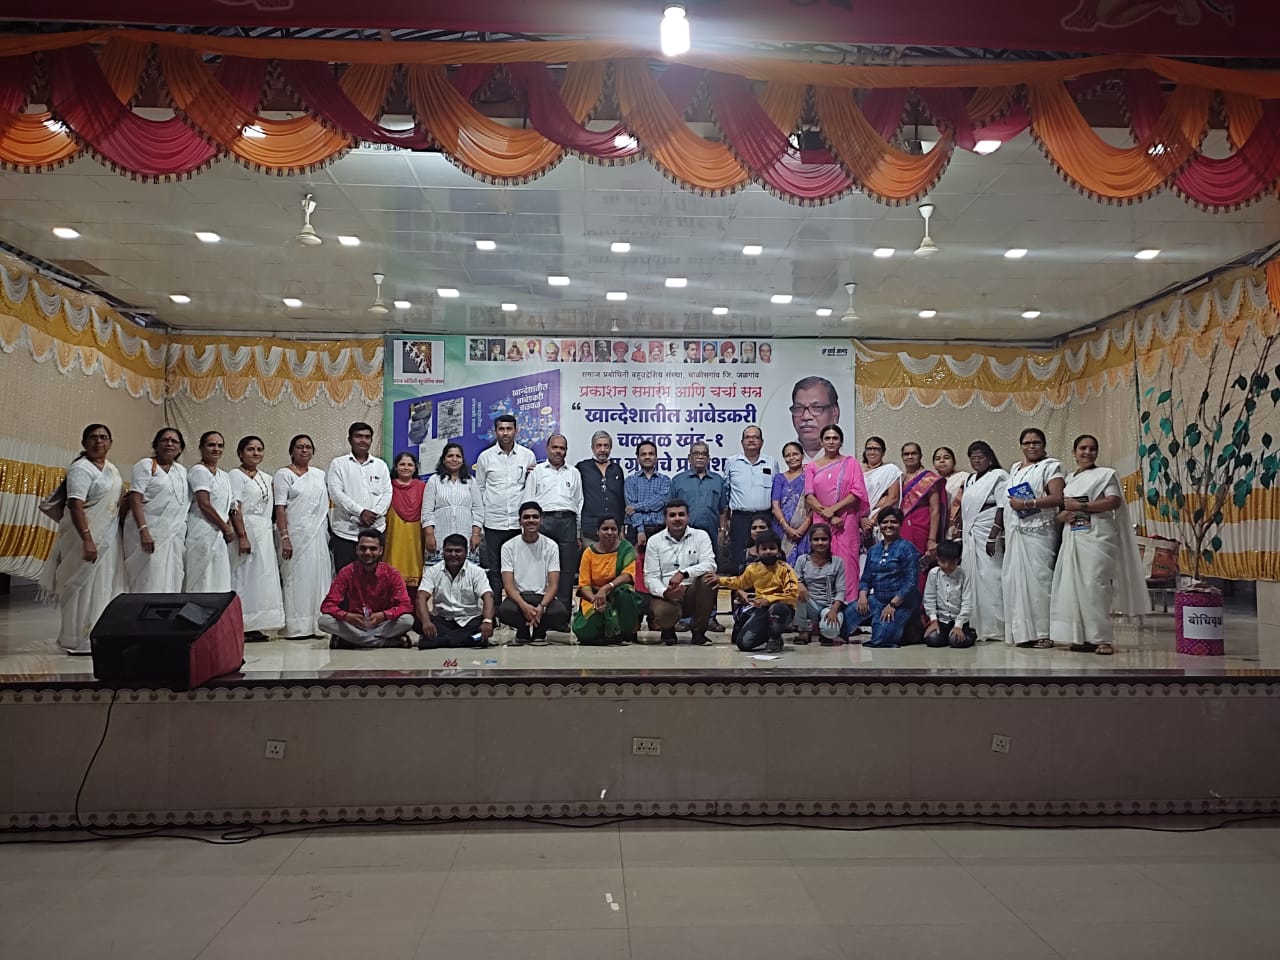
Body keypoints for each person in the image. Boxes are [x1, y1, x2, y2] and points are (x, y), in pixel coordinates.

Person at [1049, 434, 1151, 654]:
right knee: (1074, 587)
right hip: (1074, 535)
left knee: (1096, 586)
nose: (1087, 452)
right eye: (1083, 448)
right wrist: (1063, 516)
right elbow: (1063, 510)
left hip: (1098, 536)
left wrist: (1082, 507)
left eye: (1092, 448)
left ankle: (1102, 639)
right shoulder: (1070, 479)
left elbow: (1113, 501)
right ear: (1074, 452)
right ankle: (1082, 638)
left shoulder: (1105, 474)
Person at [41, 424, 124, 655]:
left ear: (110, 442)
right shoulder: (81, 468)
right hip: (83, 537)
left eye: (104, 437)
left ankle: (97, 635)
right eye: (93, 437)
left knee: (102, 585)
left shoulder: (112, 469)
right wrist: (87, 539)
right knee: (80, 585)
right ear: (84, 443)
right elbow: (75, 505)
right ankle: (76, 638)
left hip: (107, 537)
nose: (99, 441)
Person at [998, 427, 1067, 648]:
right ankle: (1022, 633)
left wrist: (1028, 503)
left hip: (1040, 533)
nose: (1031, 446)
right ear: (1021, 446)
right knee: (1015, 582)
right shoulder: (1015, 468)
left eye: (1036, 442)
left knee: (1040, 582)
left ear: (1044, 445)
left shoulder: (1051, 466)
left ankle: (1044, 633)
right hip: (1015, 532)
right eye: (1027, 443)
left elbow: (1058, 498)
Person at [274, 434, 333, 639]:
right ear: (292, 451)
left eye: (308, 447)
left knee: (318, 576)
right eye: (300, 447)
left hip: (317, 534)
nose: (304, 450)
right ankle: (296, 626)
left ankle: (318, 624)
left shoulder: (319, 475)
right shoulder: (283, 474)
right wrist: (285, 537)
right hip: (295, 534)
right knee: (296, 578)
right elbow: (280, 508)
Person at [804, 424, 868, 607]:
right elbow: (809, 496)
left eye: (835, 438)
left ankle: (849, 609)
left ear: (841, 441)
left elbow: (857, 492)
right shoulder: (811, 467)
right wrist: (828, 514)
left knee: (848, 564)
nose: (831, 441)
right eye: (827, 438)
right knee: (822, 561)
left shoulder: (851, 463)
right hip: (821, 522)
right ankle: (823, 608)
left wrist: (834, 509)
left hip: (846, 521)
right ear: (821, 442)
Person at [704, 529, 799, 653]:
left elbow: (792, 594)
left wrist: (769, 599)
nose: (768, 551)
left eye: (772, 548)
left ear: (778, 551)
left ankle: (775, 638)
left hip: (783, 609)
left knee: (777, 609)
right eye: (764, 549)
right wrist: (719, 580)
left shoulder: (786, 569)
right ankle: (769, 634)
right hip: (762, 609)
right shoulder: (753, 569)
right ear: (758, 552)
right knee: (744, 644)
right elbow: (740, 582)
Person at [475, 413, 537, 601]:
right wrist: (480, 523)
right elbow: (479, 490)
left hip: (518, 524)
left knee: (518, 568)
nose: (505, 433)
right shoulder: (485, 457)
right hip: (493, 522)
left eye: (509, 429)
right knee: (495, 569)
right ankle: (495, 609)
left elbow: (531, 489)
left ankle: (516, 608)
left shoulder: (527, 456)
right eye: (501, 429)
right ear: (495, 431)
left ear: (516, 431)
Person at [319, 528, 414, 648]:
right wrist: (348, 616)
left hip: (382, 624)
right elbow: (327, 606)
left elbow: (406, 605)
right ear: (357, 550)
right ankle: (384, 642)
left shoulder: (392, 573)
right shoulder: (347, 572)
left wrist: (383, 615)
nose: (367, 553)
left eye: (373, 549)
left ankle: (352, 641)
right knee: (324, 621)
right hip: (356, 624)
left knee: (407, 620)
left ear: (381, 551)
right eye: (363, 548)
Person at [669, 442, 729, 630]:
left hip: (710, 535)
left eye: (704, 454)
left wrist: (722, 530)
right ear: (689, 458)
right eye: (696, 453)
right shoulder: (678, 480)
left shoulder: (718, 481)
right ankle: (685, 618)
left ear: (709, 458)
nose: (700, 457)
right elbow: (670, 509)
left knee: (709, 575)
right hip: (683, 536)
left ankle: (710, 617)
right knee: (685, 573)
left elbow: (723, 509)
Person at [228, 436, 285, 638]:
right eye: (250, 449)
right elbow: (234, 507)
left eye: (259, 449)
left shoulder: (267, 478)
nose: (255, 453)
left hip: (264, 532)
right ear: (240, 453)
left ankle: (258, 625)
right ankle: (240, 624)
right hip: (245, 530)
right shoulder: (235, 475)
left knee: (262, 577)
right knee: (243, 576)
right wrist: (242, 535)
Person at [644, 499, 718, 645]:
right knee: (662, 610)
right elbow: (650, 577)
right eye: (672, 515)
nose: (677, 518)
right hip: (666, 594)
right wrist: (665, 592)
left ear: (688, 517)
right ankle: (667, 630)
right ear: (665, 518)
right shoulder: (654, 541)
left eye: (681, 514)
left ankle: (699, 633)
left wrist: (683, 573)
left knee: (708, 579)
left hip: (692, 591)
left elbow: (710, 564)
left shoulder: (701, 536)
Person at [123, 427, 188, 593]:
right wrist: (144, 531)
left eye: (174, 441)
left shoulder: (181, 471)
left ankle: (166, 610)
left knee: (172, 576)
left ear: (180, 448)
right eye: (165, 440)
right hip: (146, 531)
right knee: (148, 577)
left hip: (173, 535)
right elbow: (135, 498)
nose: (169, 444)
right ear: (156, 445)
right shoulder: (145, 465)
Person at [497, 501, 571, 643]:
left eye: (535, 517)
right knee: (504, 611)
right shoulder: (508, 546)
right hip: (519, 597)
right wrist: (524, 606)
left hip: (542, 597)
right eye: (526, 517)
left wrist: (541, 607)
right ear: (520, 521)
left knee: (560, 612)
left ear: (541, 520)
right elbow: (508, 586)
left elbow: (554, 585)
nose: (531, 520)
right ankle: (523, 631)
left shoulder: (551, 546)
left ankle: (540, 631)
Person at [523, 433, 583, 606]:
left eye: (562, 448)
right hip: (544, 522)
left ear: (566, 451)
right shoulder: (537, 471)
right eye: (554, 447)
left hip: (567, 523)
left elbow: (579, 502)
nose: (558, 451)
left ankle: (563, 612)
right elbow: (528, 501)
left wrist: (577, 533)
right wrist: (526, 531)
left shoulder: (574, 473)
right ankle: (538, 610)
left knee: (566, 570)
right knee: (540, 569)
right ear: (547, 449)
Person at [326, 421, 391, 574]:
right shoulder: (338, 464)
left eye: (367, 437)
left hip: (375, 532)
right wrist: (360, 512)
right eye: (358, 436)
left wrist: (373, 514)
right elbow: (336, 493)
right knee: (346, 579)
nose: (363, 440)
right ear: (350, 440)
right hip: (346, 534)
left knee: (373, 580)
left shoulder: (380, 465)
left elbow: (387, 493)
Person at [959, 440, 1009, 643]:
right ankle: (975, 624)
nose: (977, 461)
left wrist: (993, 535)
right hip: (970, 533)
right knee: (971, 577)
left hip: (988, 531)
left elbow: (1002, 506)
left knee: (991, 576)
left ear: (989, 458)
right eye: (973, 458)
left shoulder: (998, 476)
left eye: (981, 457)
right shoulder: (970, 479)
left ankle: (996, 626)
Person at [414, 533, 495, 649]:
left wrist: (487, 621)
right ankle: (469, 640)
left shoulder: (477, 572)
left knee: (488, 621)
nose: (453, 554)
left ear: (466, 553)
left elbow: (488, 596)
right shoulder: (432, 571)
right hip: (443, 621)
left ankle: (440, 641)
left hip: (469, 620)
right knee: (418, 621)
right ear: (443, 552)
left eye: (458, 551)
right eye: (449, 551)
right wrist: (426, 622)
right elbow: (421, 597)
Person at [855, 507, 920, 648]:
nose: (889, 525)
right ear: (879, 525)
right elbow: (866, 579)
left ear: (900, 525)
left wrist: (893, 604)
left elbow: (911, 582)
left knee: (880, 639)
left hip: (901, 602)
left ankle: (909, 628)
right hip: (877, 599)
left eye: (894, 522)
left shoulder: (908, 549)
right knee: (845, 618)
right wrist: (862, 596)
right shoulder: (873, 550)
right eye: (885, 522)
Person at [572, 516, 641, 645]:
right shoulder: (589, 552)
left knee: (626, 593)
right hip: (594, 596)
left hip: (616, 594)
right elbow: (584, 585)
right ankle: (606, 633)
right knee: (583, 632)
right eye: (605, 529)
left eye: (613, 529)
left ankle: (623, 634)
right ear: (597, 531)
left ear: (619, 531)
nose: (609, 532)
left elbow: (628, 575)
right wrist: (595, 600)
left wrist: (606, 588)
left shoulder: (626, 548)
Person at [184, 430, 234, 592]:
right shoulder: (199, 471)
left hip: (219, 533)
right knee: (202, 578)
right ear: (201, 448)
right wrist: (225, 527)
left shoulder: (224, 475)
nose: (216, 449)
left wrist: (227, 525)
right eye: (211, 445)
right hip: (202, 530)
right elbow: (204, 504)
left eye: (220, 446)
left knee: (218, 577)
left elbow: (226, 505)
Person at [725, 425, 779, 569]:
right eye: (747, 437)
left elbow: (776, 491)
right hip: (740, 518)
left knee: (766, 553)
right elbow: (726, 491)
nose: (751, 440)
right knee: (738, 554)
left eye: (755, 437)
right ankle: (738, 583)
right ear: (742, 442)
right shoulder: (731, 462)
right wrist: (726, 521)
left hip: (765, 516)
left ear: (762, 442)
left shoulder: (771, 462)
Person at [422, 441, 482, 566]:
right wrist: (429, 535)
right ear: (443, 460)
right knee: (438, 574)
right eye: (450, 456)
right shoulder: (434, 480)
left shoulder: (471, 481)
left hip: (466, 536)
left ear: (462, 460)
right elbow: (427, 511)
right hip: (439, 537)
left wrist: (476, 534)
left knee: (467, 574)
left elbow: (478, 510)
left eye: (458, 456)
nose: (454, 459)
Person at [899, 441, 944, 591]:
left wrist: (932, 540)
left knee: (920, 567)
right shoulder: (900, 479)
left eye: (914, 453)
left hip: (922, 527)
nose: (910, 457)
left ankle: (921, 604)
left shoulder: (928, 479)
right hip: (903, 527)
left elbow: (935, 509)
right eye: (906, 454)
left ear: (920, 455)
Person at [793, 523, 847, 645]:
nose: (820, 543)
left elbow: (841, 590)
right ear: (810, 542)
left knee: (830, 631)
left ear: (830, 541)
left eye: (824, 539)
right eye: (816, 539)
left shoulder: (837, 562)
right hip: (810, 603)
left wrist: (834, 610)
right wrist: (800, 585)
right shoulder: (802, 560)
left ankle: (825, 632)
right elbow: (795, 579)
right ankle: (804, 631)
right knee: (796, 593)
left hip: (829, 606)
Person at [576, 430, 626, 548]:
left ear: (611, 448)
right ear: (592, 448)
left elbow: (621, 500)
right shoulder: (582, 468)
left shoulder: (617, 469)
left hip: (613, 531)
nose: (603, 449)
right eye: (599, 446)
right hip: (589, 530)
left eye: (606, 446)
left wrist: (622, 528)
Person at [383, 452, 426, 589]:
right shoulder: (388, 486)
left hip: (415, 533)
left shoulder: (422, 487)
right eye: (402, 464)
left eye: (410, 465)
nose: (406, 468)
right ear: (396, 467)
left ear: (415, 468)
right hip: (394, 529)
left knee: (414, 560)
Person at [923, 539, 976, 648]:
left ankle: (969, 633)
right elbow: (929, 598)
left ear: (958, 561)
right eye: (943, 561)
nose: (947, 566)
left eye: (951, 562)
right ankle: (946, 636)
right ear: (937, 559)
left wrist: (958, 625)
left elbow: (967, 602)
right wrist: (933, 620)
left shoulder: (963, 575)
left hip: (959, 620)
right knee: (932, 639)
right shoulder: (933, 574)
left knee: (955, 641)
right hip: (941, 620)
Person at [859, 435, 902, 555]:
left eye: (876, 449)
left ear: (883, 452)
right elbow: (852, 497)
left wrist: (874, 519)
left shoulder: (890, 470)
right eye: (869, 448)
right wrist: (861, 518)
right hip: (858, 520)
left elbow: (893, 497)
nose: (872, 452)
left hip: (880, 520)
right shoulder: (857, 469)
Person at [624, 441, 671, 549]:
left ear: (656, 458)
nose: (647, 457)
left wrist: (635, 507)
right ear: (637, 458)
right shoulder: (630, 480)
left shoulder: (665, 480)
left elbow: (660, 502)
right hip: (635, 531)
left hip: (660, 530)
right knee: (634, 560)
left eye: (651, 454)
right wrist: (640, 530)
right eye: (643, 454)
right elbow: (630, 508)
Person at [771, 441, 811, 563]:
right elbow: (775, 505)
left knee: (802, 563)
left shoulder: (809, 476)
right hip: (782, 529)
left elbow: (814, 505)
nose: (792, 458)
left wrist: (803, 528)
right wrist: (786, 527)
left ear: (802, 455)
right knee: (781, 565)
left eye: (795, 454)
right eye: (788, 455)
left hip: (805, 530)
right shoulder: (779, 478)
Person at [790, 376, 840, 462]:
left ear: (835, 412)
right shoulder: (781, 460)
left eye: (816, 407)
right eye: (799, 408)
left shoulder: (848, 461)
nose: (806, 417)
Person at [933, 446, 969, 540]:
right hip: (936, 525)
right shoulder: (931, 481)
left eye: (946, 457)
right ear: (934, 465)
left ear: (954, 462)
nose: (942, 461)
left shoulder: (964, 477)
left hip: (958, 524)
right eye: (938, 459)